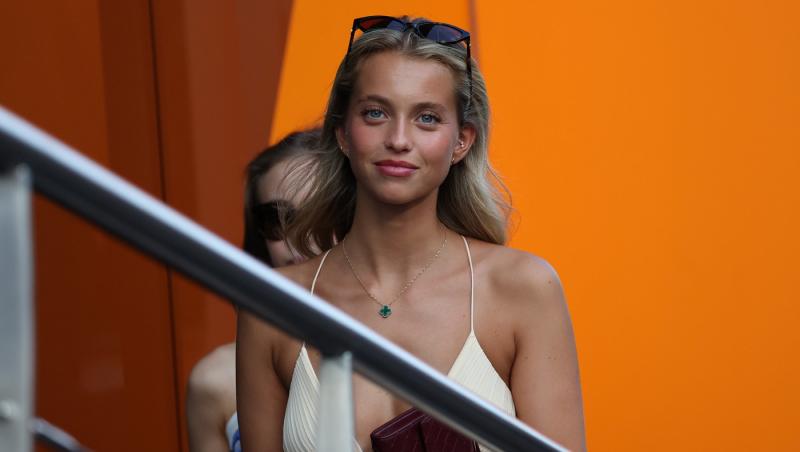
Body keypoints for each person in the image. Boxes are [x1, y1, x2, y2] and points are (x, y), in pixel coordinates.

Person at [237, 15, 585, 451]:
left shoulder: (520, 289)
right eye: (376, 113)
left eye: (427, 118)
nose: (399, 139)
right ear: (342, 132)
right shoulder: (272, 305)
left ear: (462, 141)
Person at [186, 129, 320, 452]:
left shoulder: (403, 349)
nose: (299, 236)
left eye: (320, 211)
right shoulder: (215, 381)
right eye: (276, 219)